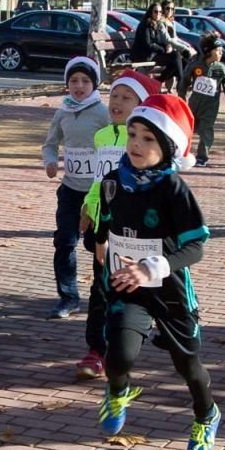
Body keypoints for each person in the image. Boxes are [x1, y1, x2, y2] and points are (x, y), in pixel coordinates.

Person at [93, 94, 220, 450]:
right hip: (126, 287)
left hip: (168, 290)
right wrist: (100, 241)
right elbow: (107, 221)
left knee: (189, 366)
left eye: (148, 138)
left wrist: (152, 265)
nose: (136, 144)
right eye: (133, 134)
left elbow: (196, 248)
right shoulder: (114, 179)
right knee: (117, 357)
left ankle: (206, 414)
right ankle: (117, 393)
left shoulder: (174, 190)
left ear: (167, 146)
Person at [75, 70, 162, 380]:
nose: (117, 103)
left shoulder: (143, 141)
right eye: (114, 96)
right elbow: (99, 180)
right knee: (100, 290)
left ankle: (158, 325)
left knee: (138, 288)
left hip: (134, 233)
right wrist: (88, 205)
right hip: (102, 226)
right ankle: (96, 350)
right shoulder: (102, 136)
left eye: (127, 98)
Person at [42, 57, 111, 319]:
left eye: (85, 81)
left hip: (97, 192)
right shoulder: (63, 113)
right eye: (73, 81)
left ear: (94, 84)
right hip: (70, 189)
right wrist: (50, 162)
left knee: (97, 245)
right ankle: (68, 297)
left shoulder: (103, 113)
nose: (79, 86)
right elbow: (50, 144)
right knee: (64, 242)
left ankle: (101, 294)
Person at [178, 33, 225, 167]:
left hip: (211, 105)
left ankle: (202, 156)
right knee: (188, 127)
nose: (221, 53)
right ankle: (181, 151)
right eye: (218, 50)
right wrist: (181, 96)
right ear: (208, 52)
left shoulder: (221, 68)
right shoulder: (195, 66)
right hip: (194, 103)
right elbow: (184, 81)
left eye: (222, 51)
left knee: (206, 129)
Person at [131, 3, 183, 90]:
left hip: (153, 53)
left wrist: (167, 46)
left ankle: (159, 81)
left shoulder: (158, 24)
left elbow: (159, 41)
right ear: (150, 12)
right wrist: (164, 50)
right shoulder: (145, 25)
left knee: (177, 57)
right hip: (144, 55)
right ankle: (180, 82)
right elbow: (148, 44)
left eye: (160, 12)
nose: (158, 14)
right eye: (155, 11)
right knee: (175, 58)